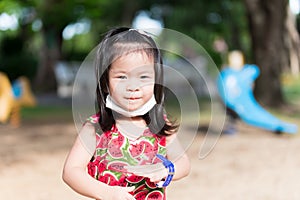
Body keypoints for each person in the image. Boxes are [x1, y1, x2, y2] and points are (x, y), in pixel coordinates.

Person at [62, 27, 190, 200]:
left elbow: (183, 163)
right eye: (122, 77)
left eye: (143, 77)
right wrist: (107, 192)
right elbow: (71, 171)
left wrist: (167, 169)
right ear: (105, 83)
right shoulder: (96, 128)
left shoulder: (160, 125)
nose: (133, 86)